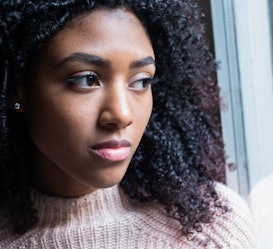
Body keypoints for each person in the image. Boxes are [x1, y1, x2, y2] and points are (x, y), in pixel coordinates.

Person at [0, 0, 254, 248]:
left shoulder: (209, 229)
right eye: (86, 80)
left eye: (141, 81)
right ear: (18, 90)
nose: (122, 114)